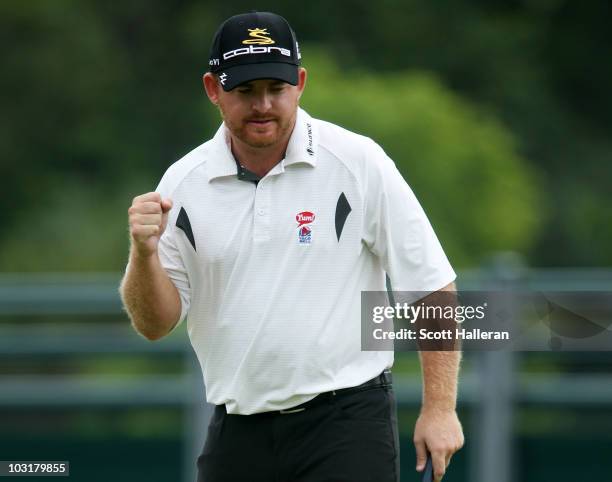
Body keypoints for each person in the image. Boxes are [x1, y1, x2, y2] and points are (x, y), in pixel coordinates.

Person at [120, 11, 463, 482]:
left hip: (347, 423)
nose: (263, 105)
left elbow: (429, 286)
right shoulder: (183, 184)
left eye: (275, 89)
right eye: (245, 91)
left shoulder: (357, 161)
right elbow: (156, 324)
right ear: (213, 89)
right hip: (236, 430)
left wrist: (440, 408)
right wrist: (142, 254)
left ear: (299, 83)